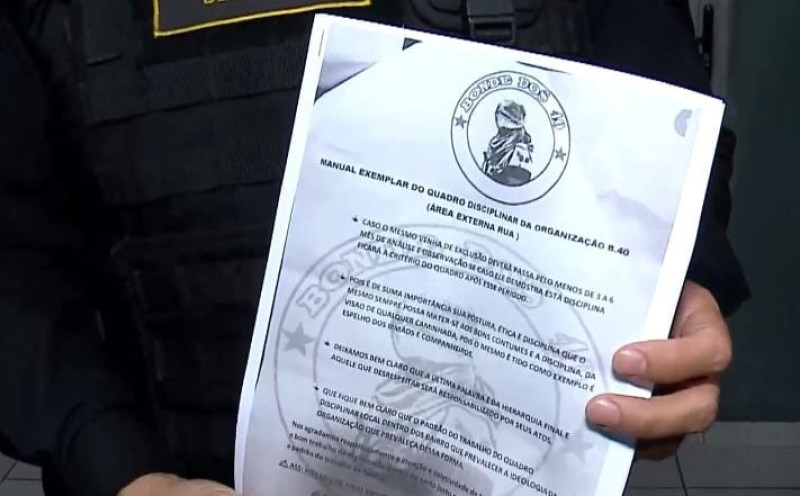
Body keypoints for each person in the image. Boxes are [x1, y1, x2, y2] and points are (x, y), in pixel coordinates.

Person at [0, 1, 749, 495]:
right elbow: (16, 267)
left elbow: (670, 134)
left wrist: (677, 290)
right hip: (161, 457)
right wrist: (120, 467)